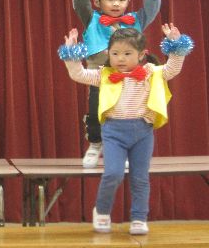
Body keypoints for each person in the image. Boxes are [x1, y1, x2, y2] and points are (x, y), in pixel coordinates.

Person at [59, 23, 193, 235]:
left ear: (142, 55)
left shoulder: (150, 73)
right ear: (108, 54)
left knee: (140, 177)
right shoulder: (104, 75)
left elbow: (172, 69)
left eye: (127, 53)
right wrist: (71, 53)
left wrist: (176, 45)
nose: (120, 58)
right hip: (113, 133)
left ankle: (139, 218)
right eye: (115, 53)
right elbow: (79, 74)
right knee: (113, 174)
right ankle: (102, 211)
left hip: (143, 132)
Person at [71, 0, 164, 168]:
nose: (116, 4)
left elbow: (152, 8)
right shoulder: (92, 19)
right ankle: (95, 144)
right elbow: (80, 3)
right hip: (100, 76)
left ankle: (125, 150)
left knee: (129, 115)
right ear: (98, 1)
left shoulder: (136, 19)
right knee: (96, 110)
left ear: (128, 2)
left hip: (132, 79)